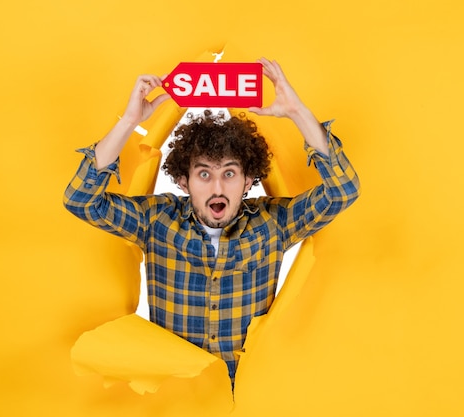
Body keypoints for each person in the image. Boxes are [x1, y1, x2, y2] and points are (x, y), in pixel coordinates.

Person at [63, 58, 361, 383]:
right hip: (175, 401)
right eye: (204, 173)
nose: (217, 187)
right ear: (182, 181)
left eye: (229, 173)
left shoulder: (272, 223)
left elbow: (342, 190)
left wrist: (296, 112)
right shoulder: (157, 220)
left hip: (248, 397)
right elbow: (81, 199)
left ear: (248, 181)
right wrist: (129, 122)